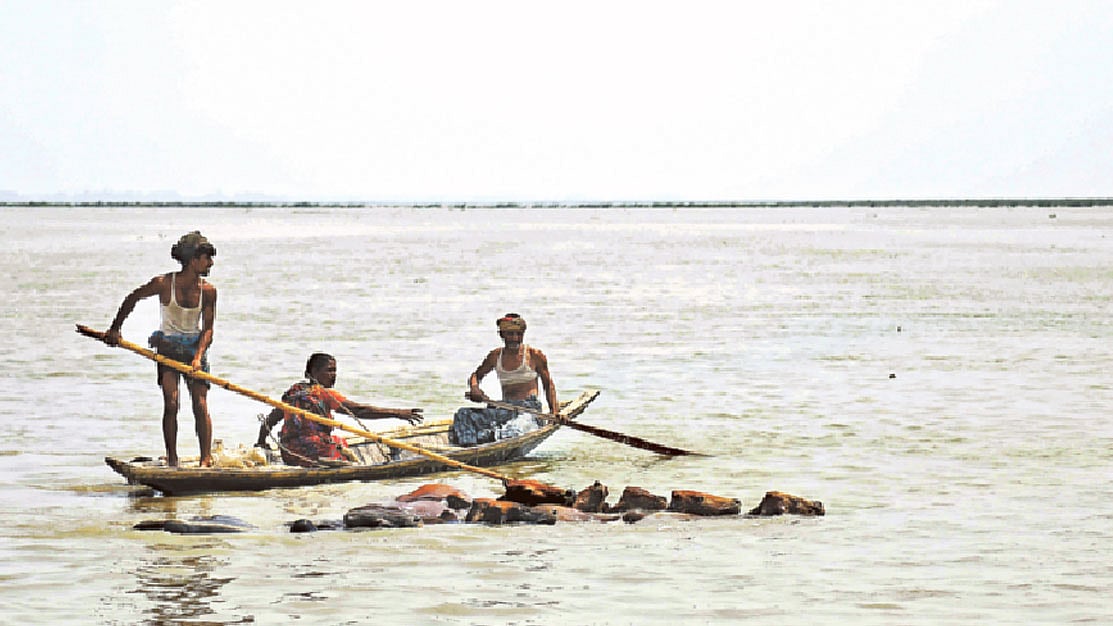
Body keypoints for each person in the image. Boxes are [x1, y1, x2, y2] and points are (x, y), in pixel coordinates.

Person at [103, 231, 218, 467]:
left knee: (200, 404)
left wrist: (198, 357)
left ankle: (205, 460)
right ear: (193, 260)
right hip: (168, 348)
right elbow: (132, 298)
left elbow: (208, 330)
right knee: (171, 403)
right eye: (207, 258)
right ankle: (172, 459)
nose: (211, 263)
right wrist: (115, 329)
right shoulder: (164, 283)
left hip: (194, 349)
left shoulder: (208, 291)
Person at [255, 353, 424, 466]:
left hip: (289, 454)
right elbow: (359, 410)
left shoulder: (293, 393)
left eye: (335, 370)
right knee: (340, 444)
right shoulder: (325, 394)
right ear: (313, 372)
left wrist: (261, 442)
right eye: (329, 370)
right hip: (315, 453)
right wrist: (398, 413)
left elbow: (270, 420)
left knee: (337, 441)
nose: (334, 375)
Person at [451, 313, 557, 446]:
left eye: (519, 334)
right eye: (510, 334)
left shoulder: (534, 355)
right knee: (463, 414)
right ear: (502, 335)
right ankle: (470, 445)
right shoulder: (495, 356)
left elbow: (548, 385)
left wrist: (554, 412)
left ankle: (488, 435)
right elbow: (476, 376)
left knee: (515, 431)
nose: (515, 338)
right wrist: (475, 388)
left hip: (528, 411)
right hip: (504, 408)